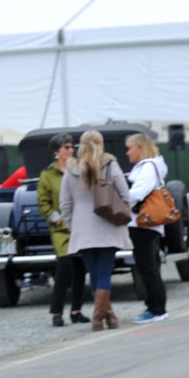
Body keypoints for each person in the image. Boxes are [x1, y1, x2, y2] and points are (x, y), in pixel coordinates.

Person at [60, 130, 132, 331]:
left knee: (93, 273)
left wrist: (72, 226)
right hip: (107, 224)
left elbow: (64, 203)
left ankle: (107, 317)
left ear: (79, 146)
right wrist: (122, 214)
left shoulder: (71, 168)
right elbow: (125, 194)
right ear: (101, 144)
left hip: (82, 227)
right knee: (104, 272)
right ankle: (100, 318)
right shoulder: (110, 164)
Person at [37, 134, 87, 326]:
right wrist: (57, 220)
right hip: (61, 231)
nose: (70, 150)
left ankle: (76, 311)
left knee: (80, 269)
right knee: (64, 267)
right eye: (66, 147)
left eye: (71, 147)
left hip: (81, 227)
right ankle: (56, 313)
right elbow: (43, 204)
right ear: (56, 152)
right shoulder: (47, 175)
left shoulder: (79, 171)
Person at [125, 133, 170, 324]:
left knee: (147, 266)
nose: (127, 153)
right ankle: (155, 305)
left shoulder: (147, 167)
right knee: (149, 265)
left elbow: (138, 192)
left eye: (130, 148)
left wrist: (121, 199)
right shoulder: (153, 165)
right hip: (148, 224)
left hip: (142, 223)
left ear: (140, 148)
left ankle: (156, 308)